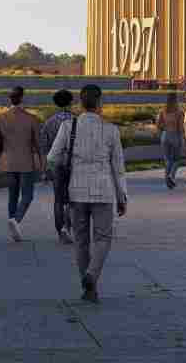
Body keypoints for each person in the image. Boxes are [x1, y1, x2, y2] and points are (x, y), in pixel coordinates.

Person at [46, 84, 127, 303]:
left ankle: (88, 287)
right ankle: (92, 275)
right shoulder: (111, 130)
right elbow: (118, 168)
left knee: (81, 241)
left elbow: (52, 158)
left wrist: (69, 162)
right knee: (103, 238)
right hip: (103, 192)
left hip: (76, 191)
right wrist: (122, 197)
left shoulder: (68, 126)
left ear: (81, 103)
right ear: (100, 103)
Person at [0, 86, 44, 241]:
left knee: (12, 196)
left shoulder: (1, 118)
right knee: (27, 196)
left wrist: (0, 153)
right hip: (26, 163)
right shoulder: (31, 119)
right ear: (22, 98)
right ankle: (16, 220)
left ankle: (12, 227)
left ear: (10, 99)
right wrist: (42, 163)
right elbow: (39, 145)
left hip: (8, 163)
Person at [39, 89, 76, 243]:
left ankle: (60, 232)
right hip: (73, 164)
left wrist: (45, 169)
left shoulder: (49, 122)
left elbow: (44, 147)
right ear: (71, 102)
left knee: (58, 199)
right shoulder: (76, 120)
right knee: (73, 198)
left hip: (55, 165)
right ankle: (68, 227)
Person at [156, 93, 184, 189]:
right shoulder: (179, 112)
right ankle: (171, 176)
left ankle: (167, 181)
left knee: (167, 160)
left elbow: (158, 125)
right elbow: (180, 127)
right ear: (175, 101)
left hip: (165, 135)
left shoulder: (162, 111)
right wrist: (182, 139)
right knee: (176, 159)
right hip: (175, 135)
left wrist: (161, 133)